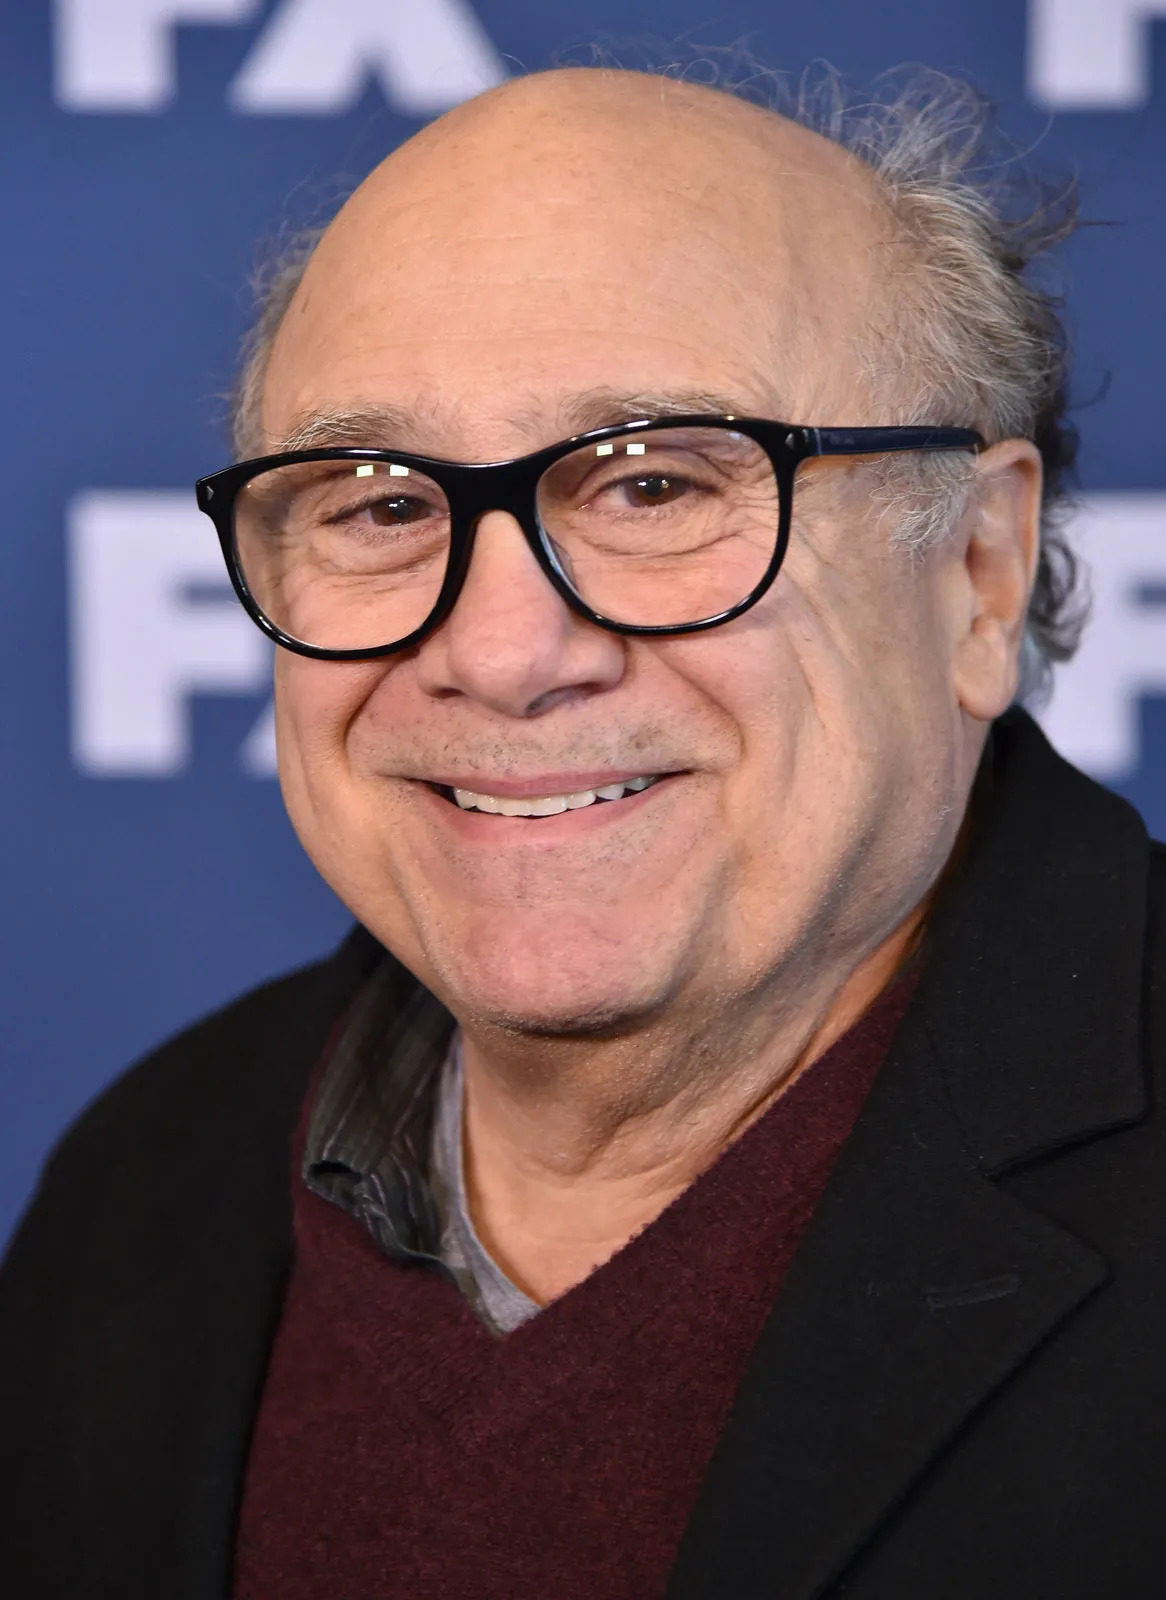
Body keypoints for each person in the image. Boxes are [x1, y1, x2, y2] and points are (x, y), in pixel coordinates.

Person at [2, 61, 1162, 1600]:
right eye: (381, 505)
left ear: (978, 569)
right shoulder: (150, 1179)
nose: (500, 651)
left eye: (654, 484)